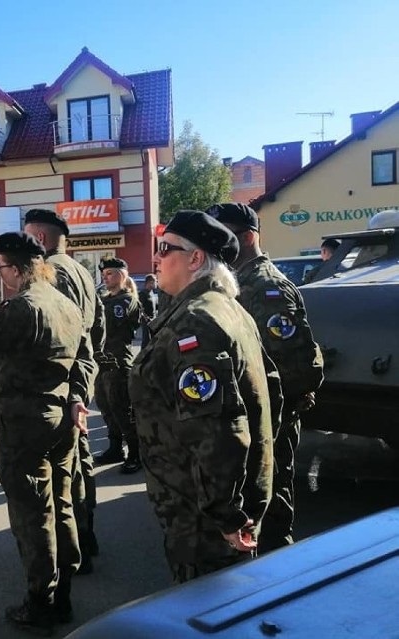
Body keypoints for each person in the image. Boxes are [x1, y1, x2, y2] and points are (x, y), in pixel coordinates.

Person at [129, 210, 277, 584]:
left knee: (206, 606)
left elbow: (219, 431)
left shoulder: (197, 321)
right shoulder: (225, 309)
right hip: (203, 506)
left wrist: (226, 515)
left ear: (196, 259)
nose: (156, 258)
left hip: (201, 518)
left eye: (166, 249)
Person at [0, 231, 84, 635]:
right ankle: (63, 594)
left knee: (32, 515)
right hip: (59, 415)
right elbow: (83, 360)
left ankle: (40, 602)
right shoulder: (65, 304)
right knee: (61, 506)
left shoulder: (22, 306)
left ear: (14, 269)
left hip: (24, 422)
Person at [207, 202, 324, 552]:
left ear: (247, 237)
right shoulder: (236, 281)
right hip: (250, 417)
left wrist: (272, 416)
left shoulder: (265, 287)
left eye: (223, 236)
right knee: (251, 499)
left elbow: (296, 366)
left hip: (271, 418)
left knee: (272, 501)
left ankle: (276, 577)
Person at [24, 208, 103, 574]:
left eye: (28, 236)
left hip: (60, 384)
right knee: (79, 462)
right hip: (80, 378)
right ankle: (86, 538)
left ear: (39, 238)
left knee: (62, 473)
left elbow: (54, 331)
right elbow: (95, 329)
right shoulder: (83, 271)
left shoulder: (51, 272)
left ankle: (75, 548)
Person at [93, 258, 143, 473]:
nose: (105, 277)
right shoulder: (104, 299)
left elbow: (109, 321)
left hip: (119, 364)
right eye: (104, 275)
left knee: (123, 411)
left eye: (110, 273)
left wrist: (93, 308)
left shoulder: (126, 300)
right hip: (103, 364)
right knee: (107, 409)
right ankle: (115, 448)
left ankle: (135, 453)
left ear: (121, 275)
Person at [138, 274, 159, 348]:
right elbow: (139, 308)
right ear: (149, 282)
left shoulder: (152, 293)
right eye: (155, 281)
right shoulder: (142, 294)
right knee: (146, 341)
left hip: (154, 320)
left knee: (153, 341)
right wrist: (146, 318)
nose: (157, 283)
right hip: (146, 321)